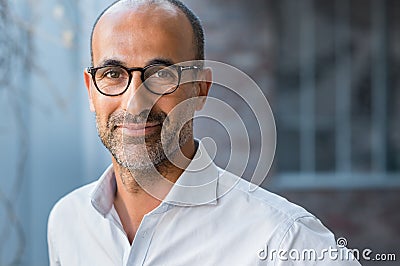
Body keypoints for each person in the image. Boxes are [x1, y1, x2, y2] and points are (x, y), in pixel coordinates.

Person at [47, 0, 361, 265]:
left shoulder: (285, 240)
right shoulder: (69, 221)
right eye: (113, 74)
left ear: (200, 88)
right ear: (91, 91)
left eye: (161, 75)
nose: (135, 101)